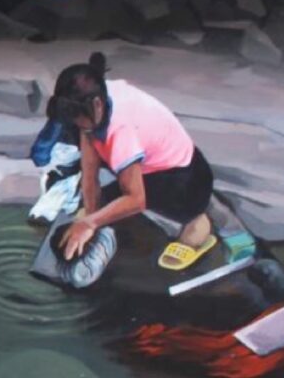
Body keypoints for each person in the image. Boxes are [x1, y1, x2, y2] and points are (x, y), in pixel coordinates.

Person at [46, 52, 220, 270]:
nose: (79, 127)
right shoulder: (93, 101)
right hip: (148, 168)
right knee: (99, 208)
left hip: (185, 180)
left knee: (180, 215)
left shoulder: (120, 128)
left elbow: (136, 199)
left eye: (79, 120)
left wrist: (90, 222)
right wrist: (91, 217)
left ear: (97, 104)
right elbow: (89, 174)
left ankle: (198, 227)